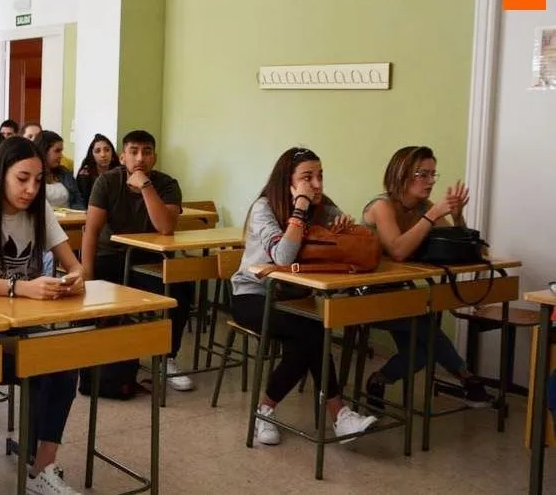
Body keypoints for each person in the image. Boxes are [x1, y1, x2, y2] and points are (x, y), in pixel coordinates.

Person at [0, 137, 85, 495]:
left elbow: (75, 266)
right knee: (51, 363)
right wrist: (19, 288)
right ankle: (37, 465)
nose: (31, 189)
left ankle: (42, 465)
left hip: (21, 327)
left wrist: (71, 280)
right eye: (22, 178)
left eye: (38, 180)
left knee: (63, 361)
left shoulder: (38, 210)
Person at [231, 147, 377, 446]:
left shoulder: (325, 207)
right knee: (312, 331)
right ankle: (339, 415)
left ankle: (266, 409)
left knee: (306, 338)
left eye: (320, 176)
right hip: (252, 295)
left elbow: (358, 245)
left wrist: (345, 232)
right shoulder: (265, 207)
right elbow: (283, 256)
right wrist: (300, 208)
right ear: (289, 181)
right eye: (307, 177)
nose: (317, 185)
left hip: (293, 298)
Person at [362, 146, 493, 408]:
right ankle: (466, 378)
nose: (431, 181)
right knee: (425, 327)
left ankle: (379, 379)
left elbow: (464, 247)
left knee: (421, 351)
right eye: (423, 174)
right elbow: (398, 251)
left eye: (433, 174)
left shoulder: (424, 207)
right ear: (401, 174)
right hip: (366, 293)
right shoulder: (381, 206)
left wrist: (457, 217)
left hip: (399, 292)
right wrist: (432, 215)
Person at [81, 130, 196, 391]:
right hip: (109, 257)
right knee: (95, 298)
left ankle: (167, 357)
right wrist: (86, 272)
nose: (140, 158)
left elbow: (165, 227)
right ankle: (97, 361)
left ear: (154, 157)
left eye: (146, 152)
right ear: (122, 157)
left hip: (149, 260)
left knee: (180, 289)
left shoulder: (167, 184)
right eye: (133, 152)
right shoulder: (107, 182)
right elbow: (91, 230)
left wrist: (145, 186)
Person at [35, 131, 84, 210]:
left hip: (70, 220)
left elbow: (78, 201)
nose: (61, 156)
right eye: (57, 151)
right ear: (43, 150)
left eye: (61, 151)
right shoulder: (33, 175)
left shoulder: (65, 173)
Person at [75, 134, 120, 206]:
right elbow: (84, 202)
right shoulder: (85, 174)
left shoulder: (120, 172)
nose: (103, 155)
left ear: (112, 153)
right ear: (92, 155)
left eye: (107, 150)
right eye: (97, 151)